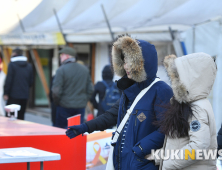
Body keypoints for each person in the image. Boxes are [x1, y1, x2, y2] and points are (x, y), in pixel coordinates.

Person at [66, 35, 173, 170]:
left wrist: (140, 148)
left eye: (130, 61)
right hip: (123, 162)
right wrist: (85, 127)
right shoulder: (130, 89)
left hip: (143, 163)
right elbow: (110, 116)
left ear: (142, 63)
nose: (126, 66)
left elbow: (168, 128)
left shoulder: (161, 90)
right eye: (124, 61)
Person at [151, 53, 217, 169]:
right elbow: (180, 143)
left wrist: (168, 164)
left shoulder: (197, 108)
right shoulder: (191, 104)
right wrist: (158, 159)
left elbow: (199, 146)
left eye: (178, 77)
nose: (174, 82)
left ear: (192, 78)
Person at [52, 46, 93, 128]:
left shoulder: (61, 70)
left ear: (67, 56)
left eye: (61, 55)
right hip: (80, 106)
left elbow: (56, 91)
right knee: (77, 131)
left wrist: (58, 102)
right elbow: (90, 89)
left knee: (62, 131)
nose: (60, 57)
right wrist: (83, 101)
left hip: (64, 106)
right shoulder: (84, 70)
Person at [4, 48, 33, 120]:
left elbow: (9, 81)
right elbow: (31, 82)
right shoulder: (29, 66)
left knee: (10, 117)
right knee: (21, 116)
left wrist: (6, 93)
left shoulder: (12, 65)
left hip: (13, 96)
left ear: (15, 54)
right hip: (24, 95)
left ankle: (10, 131)